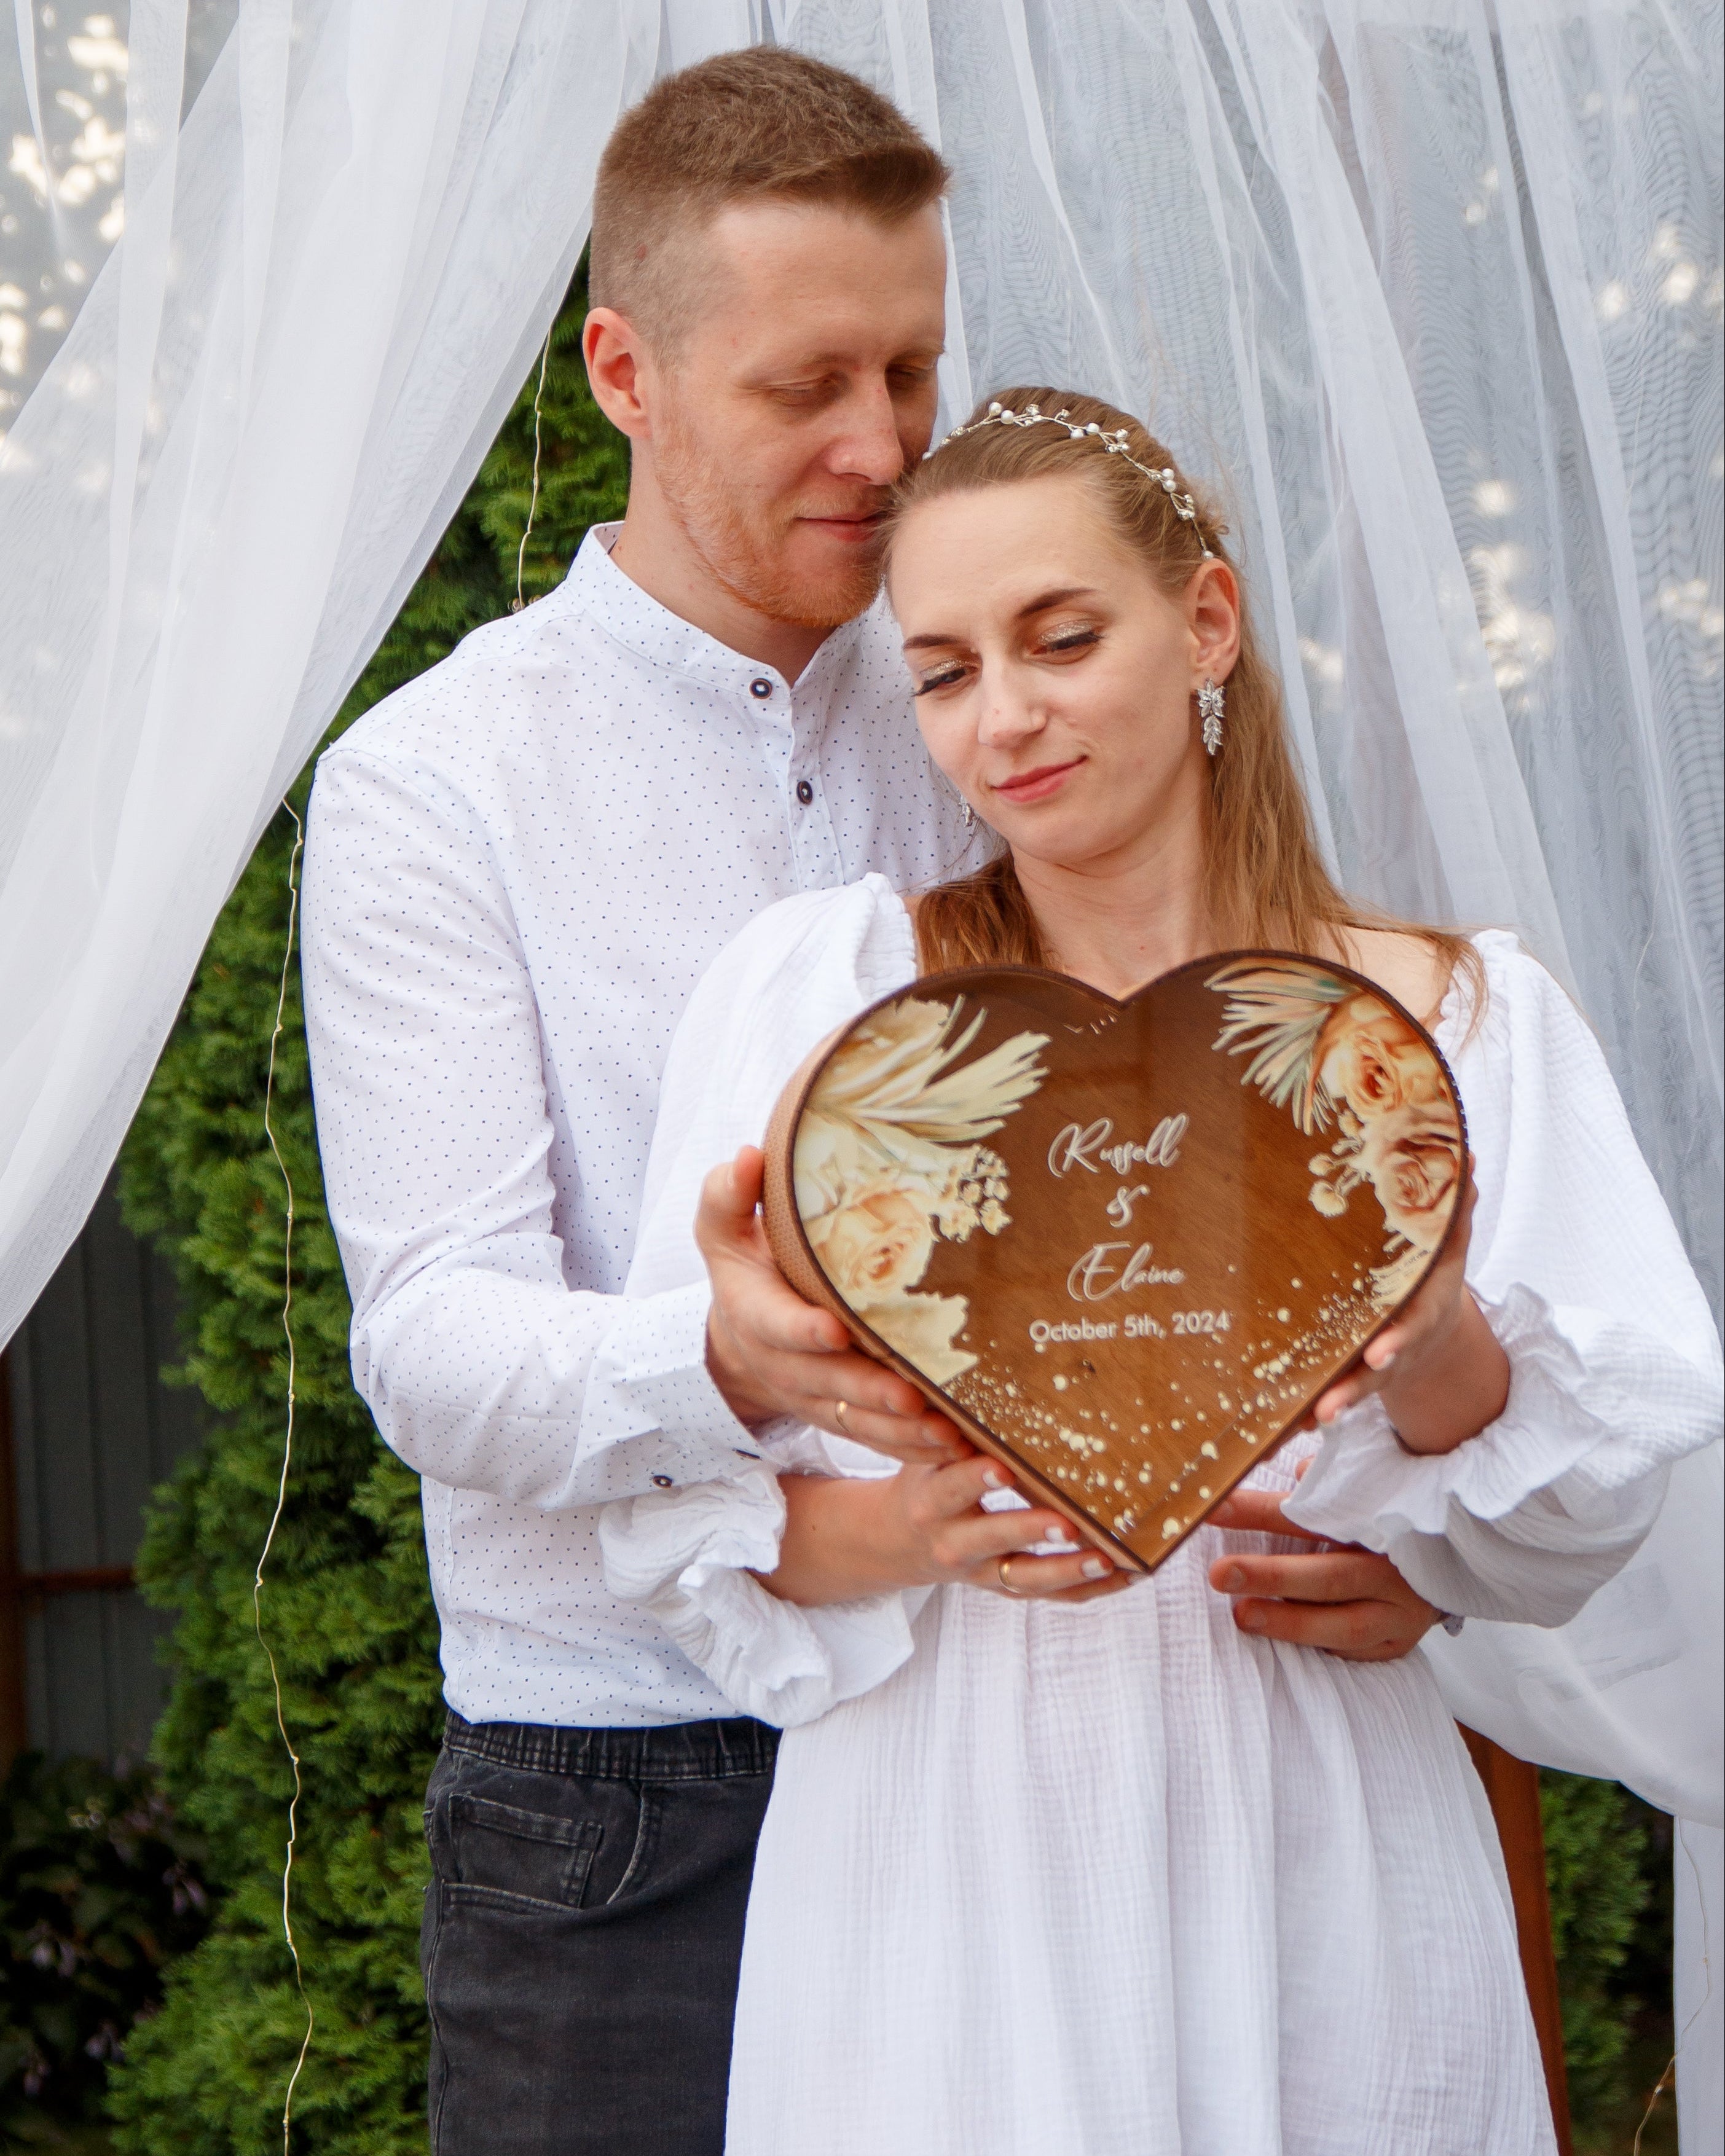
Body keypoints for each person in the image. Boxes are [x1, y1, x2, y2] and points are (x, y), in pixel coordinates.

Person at [304, 51, 1447, 2154]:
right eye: (807, 383)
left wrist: (1408, 1542)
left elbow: (1262, 1170)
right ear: (626, 371)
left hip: (1017, 1764)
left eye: (914, 369)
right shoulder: (434, 786)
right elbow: (437, 1341)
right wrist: (719, 1353)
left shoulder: (1010, 705)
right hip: (635, 1797)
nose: (882, 442)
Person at [597, 388, 1724, 2154]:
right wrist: (907, 1519)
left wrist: (1431, 1362)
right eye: (949, 669)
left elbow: (1576, 1521)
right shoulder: (835, 1014)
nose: (1006, 718)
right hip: (940, 1857)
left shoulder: (1442, 1034)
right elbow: (667, 1517)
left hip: (1324, 1842)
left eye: (1061, 637)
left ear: (1204, 621)